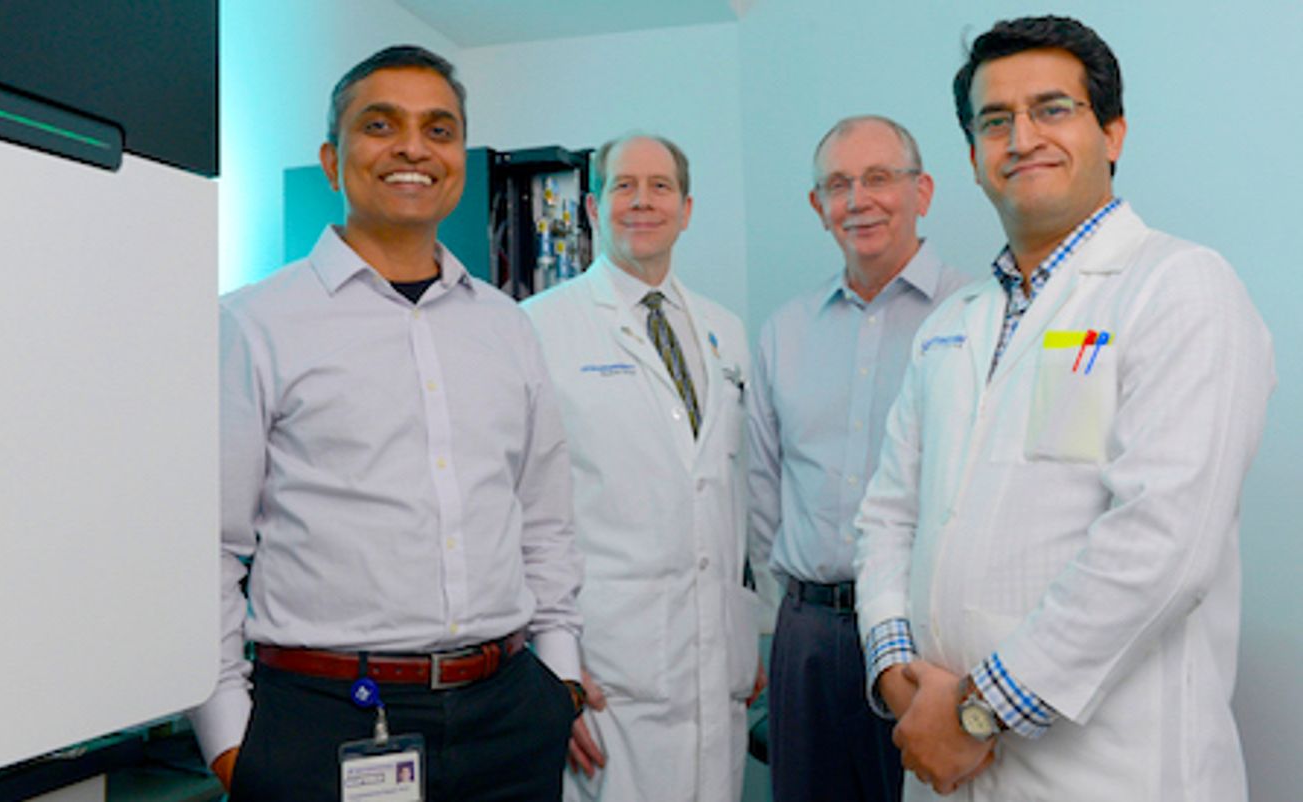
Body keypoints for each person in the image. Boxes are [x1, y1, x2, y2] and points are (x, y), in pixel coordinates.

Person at [855, 15, 1274, 801]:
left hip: (1110, 772)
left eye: (1052, 109)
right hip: (944, 762)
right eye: (994, 120)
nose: (1021, 137)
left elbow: (1163, 545)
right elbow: (887, 516)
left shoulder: (1180, 287)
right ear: (974, 156)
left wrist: (979, 712)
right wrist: (895, 669)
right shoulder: (952, 323)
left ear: (1112, 133)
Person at [188, 44, 584, 802]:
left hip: (510, 715)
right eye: (381, 124)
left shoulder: (507, 327)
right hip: (324, 718)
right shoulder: (254, 324)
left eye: (439, 129)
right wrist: (230, 740)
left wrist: (559, 679)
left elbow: (545, 519)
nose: (412, 147)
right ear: (333, 161)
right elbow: (208, 546)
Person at [522, 133, 762, 802]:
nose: (642, 201)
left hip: (717, 663)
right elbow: (515, 510)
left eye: (660, 187)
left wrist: (741, 629)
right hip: (607, 670)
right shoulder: (538, 327)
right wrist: (553, 669)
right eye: (624, 185)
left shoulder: (725, 331)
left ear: (686, 208)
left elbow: (735, 493)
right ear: (595, 207)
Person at [747, 116, 968, 802]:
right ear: (818, 207)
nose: (858, 199)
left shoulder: (973, 315)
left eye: (880, 178)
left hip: (927, 638)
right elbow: (762, 489)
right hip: (808, 635)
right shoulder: (784, 331)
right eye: (838, 184)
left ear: (922, 191)